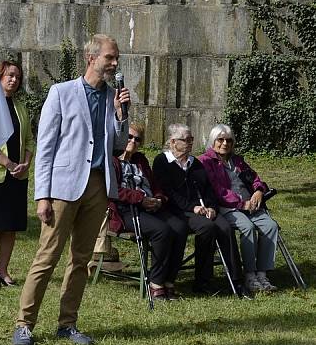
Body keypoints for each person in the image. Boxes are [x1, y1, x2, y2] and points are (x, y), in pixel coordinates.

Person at [13, 34, 130, 345]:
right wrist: (42, 195)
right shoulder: (61, 93)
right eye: (110, 57)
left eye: (116, 58)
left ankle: (68, 323)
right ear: (91, 58)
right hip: (64, 188)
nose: (115, 63)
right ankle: (24, 324)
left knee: (81, 259)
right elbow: (46, 147)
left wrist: (121, 115)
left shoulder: (112, 98)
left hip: (97, 186)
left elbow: (119, 147)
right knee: (47, 256)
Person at [152, 123, 249, 298]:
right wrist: (193, 207)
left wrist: (211, 207)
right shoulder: (162, 161)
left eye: (191, 140)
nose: (190, 143)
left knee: (225, 227)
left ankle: (237, 280)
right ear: (173, 142)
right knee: (207, 228)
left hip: (202, 208)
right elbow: (168, 192)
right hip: (177, 210)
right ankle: (203, 281)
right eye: (186, 140)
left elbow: (208, 189)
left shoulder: (194, 163)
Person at [108, 121, 188, 300]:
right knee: (162, 231)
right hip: (126, 210)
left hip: (151, 206)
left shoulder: (140, 160)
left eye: (137, 139)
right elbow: (113, 191)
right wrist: (140, 199)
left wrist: (159, 199)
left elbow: (154, 184)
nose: (133, 141)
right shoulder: (112, 161)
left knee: (180, 227)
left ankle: (169, 280)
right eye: (129, 137)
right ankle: (156, 282)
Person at [199, 124, 279, 293]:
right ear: (213, 141)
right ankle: (250, 275)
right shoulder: (205, 161)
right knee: (248, 227)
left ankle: (262, 274)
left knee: (270, 226)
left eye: (229, 140)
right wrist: (241, 203)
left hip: (252, 204)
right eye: (220, 140)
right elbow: (217, 190)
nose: (225, 144)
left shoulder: (237, 160)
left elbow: (254, 178)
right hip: (227, 208)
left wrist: (258, 190)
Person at [0, 61, 34, 289]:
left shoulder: (20, 107)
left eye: (17, 76)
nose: (14, 80)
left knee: (10, 226)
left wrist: (26, 162)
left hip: (18, 176)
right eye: (10, 75)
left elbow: (29, 139)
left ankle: (3, 270)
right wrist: (6, 163)